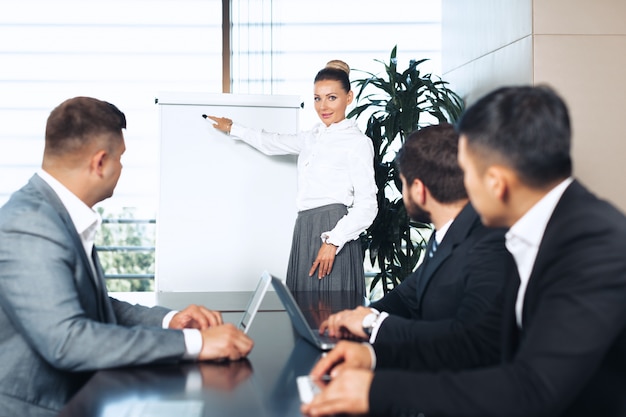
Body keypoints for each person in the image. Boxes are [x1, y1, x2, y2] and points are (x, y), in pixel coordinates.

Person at [301, 85, 626, 417]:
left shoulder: (594, 246)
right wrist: (374, 357)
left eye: (466, 173)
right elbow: (481, 341)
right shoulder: (534, 227)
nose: (460, 187)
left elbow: (533, 388)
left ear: (496, 183)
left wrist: (377, 390)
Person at [0, 97, 254, 416]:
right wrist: (197, 345)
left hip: (85, 396)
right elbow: (67, 341)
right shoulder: (30, 225)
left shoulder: (55, 214)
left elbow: (92, 305)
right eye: (121, 158)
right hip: (42, 407)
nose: (122, 167)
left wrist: (169, 321)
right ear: (100, 162)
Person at [319, 124, 513, 371]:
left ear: (419, 190)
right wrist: (353, 318)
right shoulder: (448, 231)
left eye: (403, 184)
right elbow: (407, 296)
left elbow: (470, 342)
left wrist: (373, 325)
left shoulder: (490, 243)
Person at [207, 60, 377, 298]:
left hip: (334, 229)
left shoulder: (357, 143)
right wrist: (234, 128)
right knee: (303, 313)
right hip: (305, 227)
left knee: (333, 314)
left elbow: (368, 205)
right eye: (317, 98)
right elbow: (271, 142)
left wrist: (334, 242)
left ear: (349, 98)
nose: (323, 106)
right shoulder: (312, 137)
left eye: (331, 97)